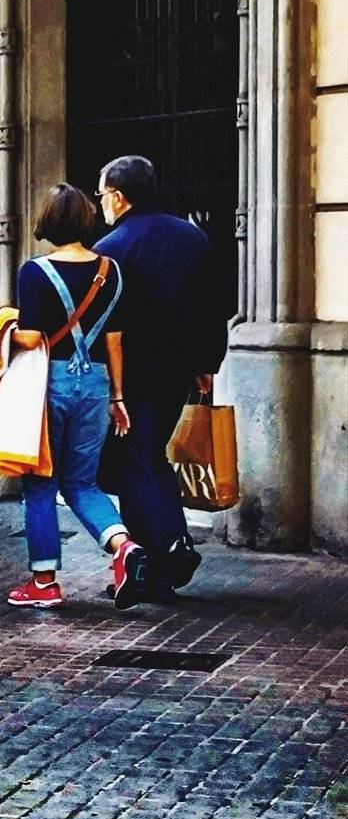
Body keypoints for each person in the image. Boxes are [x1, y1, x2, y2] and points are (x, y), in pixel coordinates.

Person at [5, 183, 148, 611]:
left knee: (41, 484)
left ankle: (44, 582)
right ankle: (124, 547)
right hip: (97, 384)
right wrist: (118, 397)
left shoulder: (34, 272)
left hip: (49, 384)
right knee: (83, 482)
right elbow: (115, 339)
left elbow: (31, 337)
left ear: (48, 221)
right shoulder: (111, 271)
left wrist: (5, 330)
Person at [93, 155, 230, 596]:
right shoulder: (191, 236)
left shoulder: (111, 248)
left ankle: (171, 547)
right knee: (144, 458)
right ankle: (152, 569)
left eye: (102, 194)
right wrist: (208, 363)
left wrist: (109, 384)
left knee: (137, 460)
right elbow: (213, 306)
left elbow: (105, 324)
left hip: (130, 376)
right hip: (178, 371)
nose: (100, 203)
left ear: (118, 196)